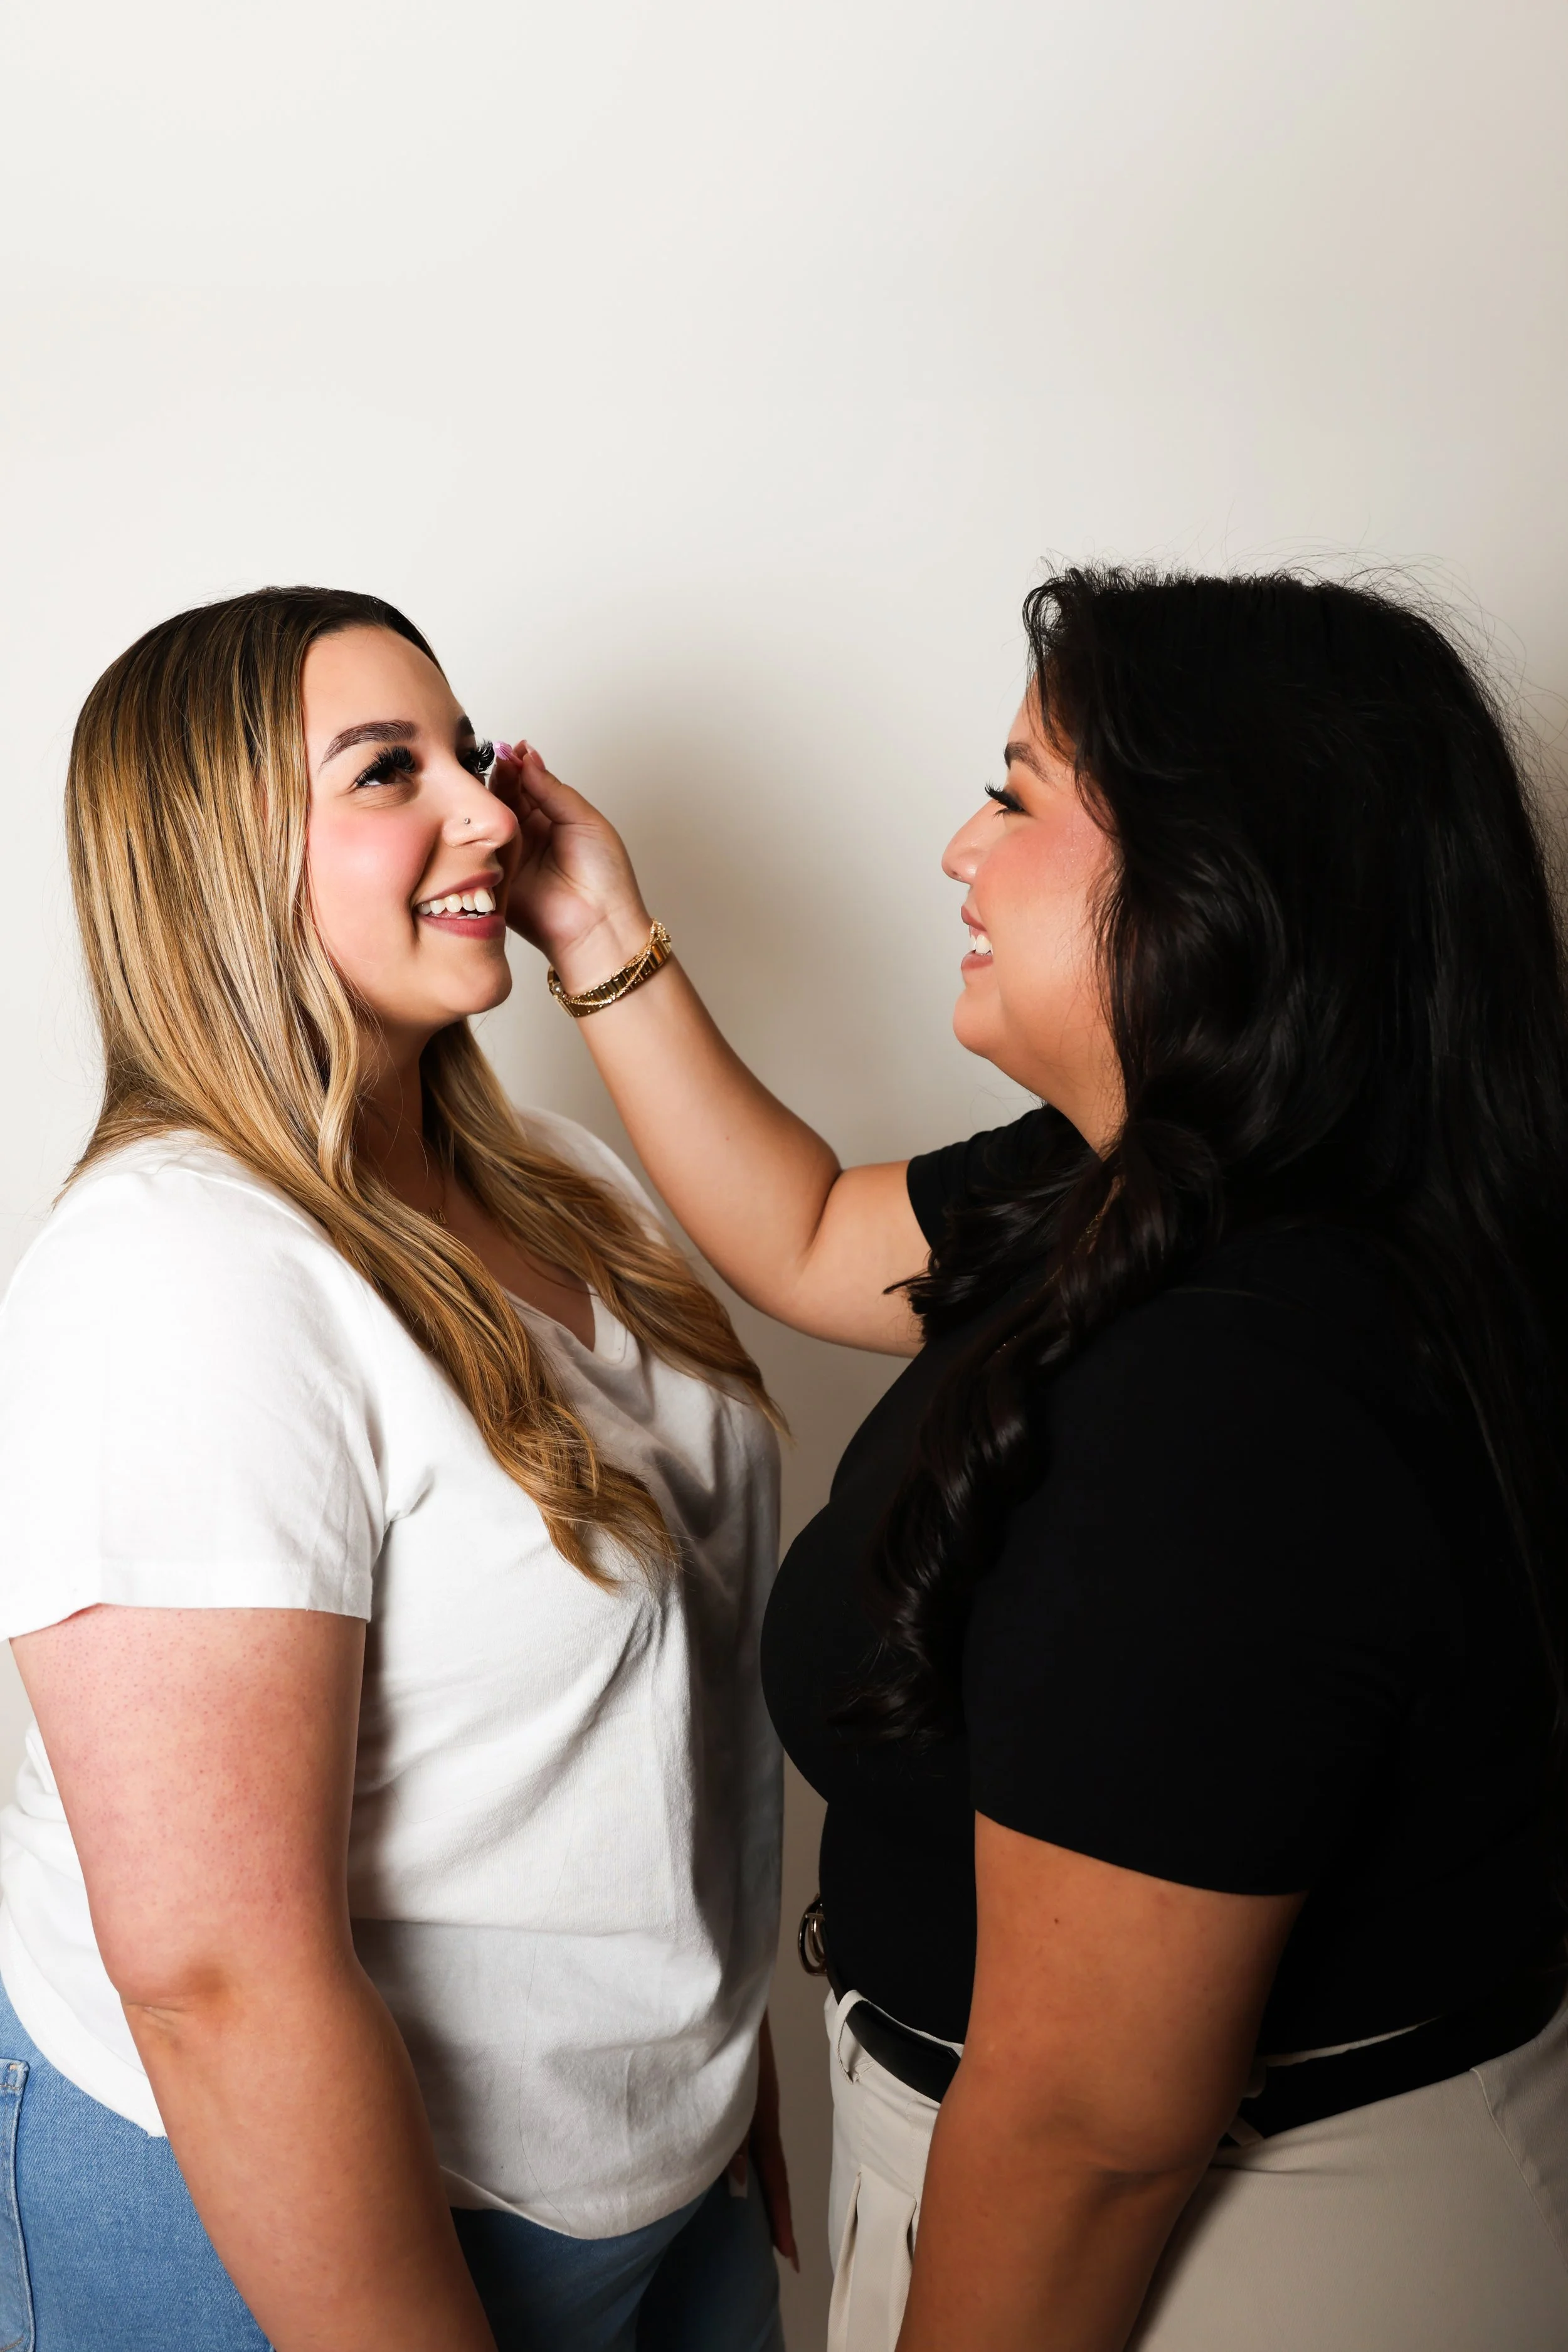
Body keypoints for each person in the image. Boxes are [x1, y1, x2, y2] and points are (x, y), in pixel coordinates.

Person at [494, 565, 1568, 2351]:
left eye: (1012, 794)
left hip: (1227, 2252)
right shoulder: (1169, 1182)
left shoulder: (1233, 1400)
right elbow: (813, 1233)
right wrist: (598, 926)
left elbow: (1085, 2134)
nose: (952, 850)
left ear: (1221, 879)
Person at [0, 587, 793, 2352]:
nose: (496, 815)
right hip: (298, 2234)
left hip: (651, 2181)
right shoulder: (175, 1276)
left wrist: (724, 2097)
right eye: (387, 771)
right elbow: (218, 1978)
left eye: (471, 753)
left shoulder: (560, 1177)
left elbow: (665, 1706)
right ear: (217, 860)